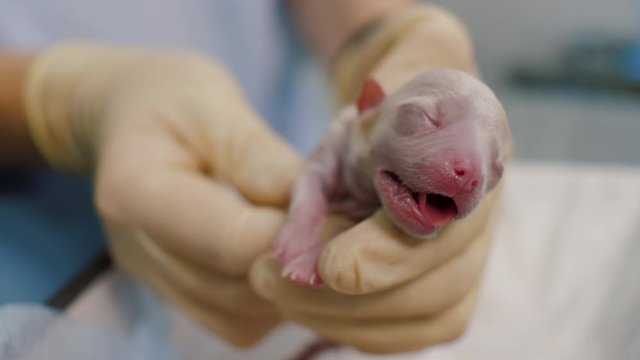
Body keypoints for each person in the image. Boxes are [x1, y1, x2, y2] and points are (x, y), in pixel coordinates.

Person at [0, 0, 505, 354]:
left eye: (492, 170)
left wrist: (376, 30)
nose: (470, 174)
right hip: (31, 275)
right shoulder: (352, 134)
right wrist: (56, 103)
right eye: (425, 120)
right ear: (374, 106)